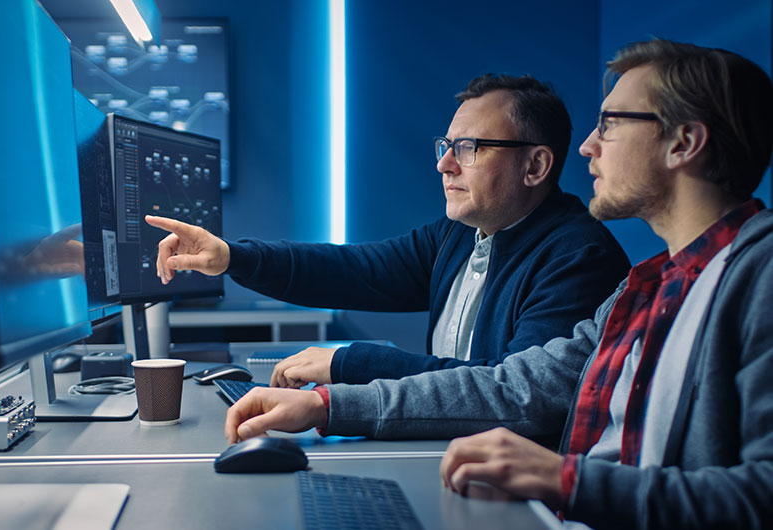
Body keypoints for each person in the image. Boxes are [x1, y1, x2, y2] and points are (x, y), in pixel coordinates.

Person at [224, 39, 773, 529]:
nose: (587, 147)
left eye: (609, 125)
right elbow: (515, 386)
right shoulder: (646, 288)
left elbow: (760, 497)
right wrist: (327, 404)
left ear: (683, 143)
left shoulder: (757, 277)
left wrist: (565, 480)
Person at [146, 74, 629, 388]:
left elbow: (508, 392)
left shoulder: (577, 257)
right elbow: (352, 271)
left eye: (467, 148)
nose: (444, 164)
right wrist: (232, 257)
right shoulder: (459, 235)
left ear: (535, 166)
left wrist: (348, 363)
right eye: (446, 145)